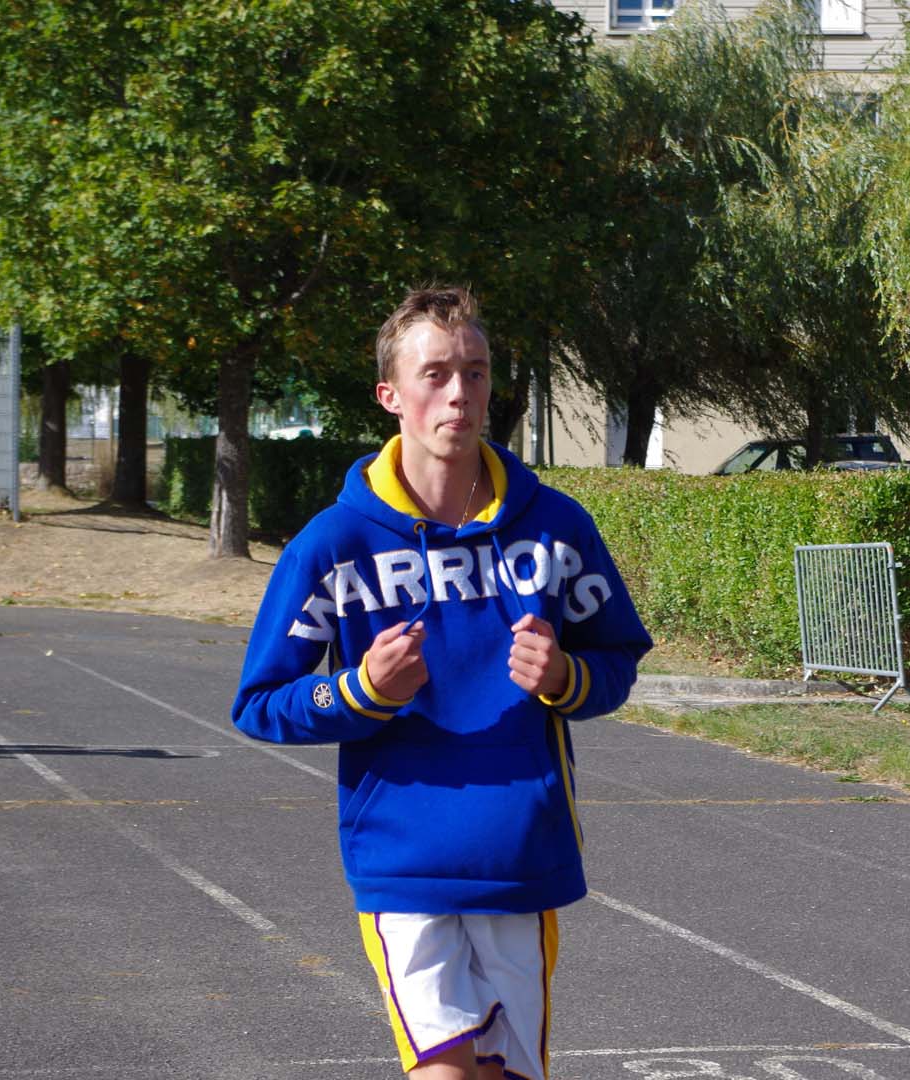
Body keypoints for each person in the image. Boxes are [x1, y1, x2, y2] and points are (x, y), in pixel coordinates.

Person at [233, 285, 652, 1079]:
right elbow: (260, 706)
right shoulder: (334, 542)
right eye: (435, 374)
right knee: (446, 1073)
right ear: (390, 395)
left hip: (521, 854)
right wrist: (361, 691)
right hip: (404, 860)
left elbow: (617, 664)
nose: (459, 392)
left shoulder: (557, 527)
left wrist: (565, 675)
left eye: (476, 371)